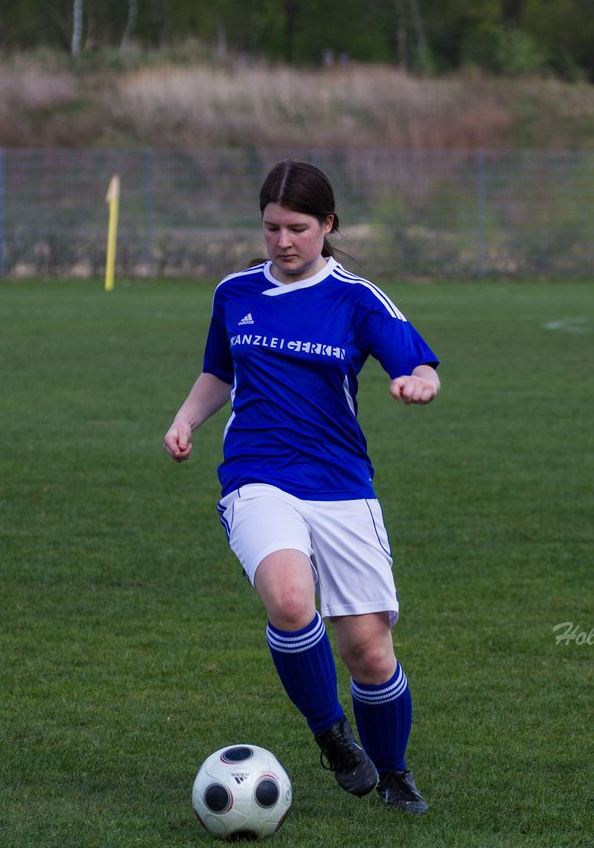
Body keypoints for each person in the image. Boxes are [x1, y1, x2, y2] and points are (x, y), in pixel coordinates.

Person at [163, 160, 440, 815]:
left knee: (367, 650)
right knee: (291, 600)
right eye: (271, 228)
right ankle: (331, 735)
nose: (283, 241)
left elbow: (414, 357)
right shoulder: (234, 293)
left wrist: (419, 381)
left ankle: (394, 773)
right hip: (257, 475)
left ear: (328, 225)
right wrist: (185, 418)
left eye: (298, 228)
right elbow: (219, 371)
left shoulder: (356, 297)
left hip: (342, 484)